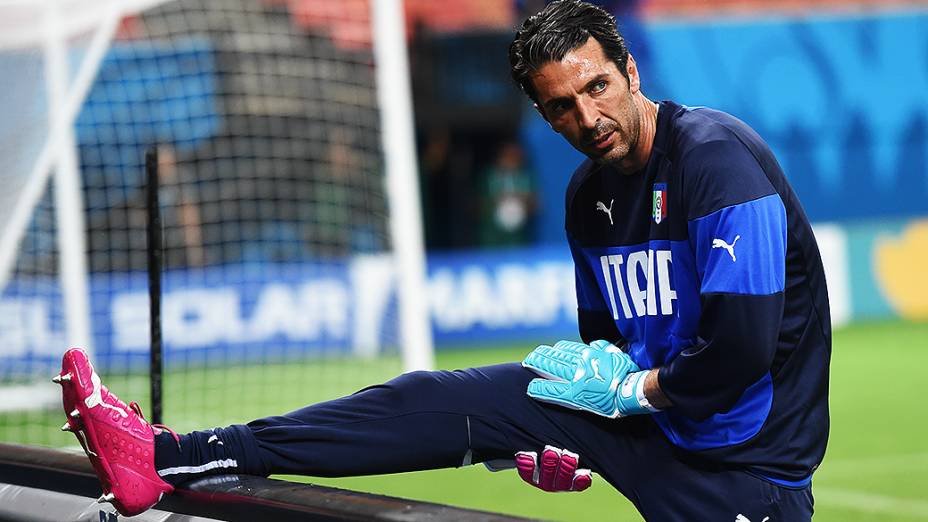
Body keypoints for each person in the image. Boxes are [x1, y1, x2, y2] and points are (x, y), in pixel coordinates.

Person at [54, 2, 830, 520]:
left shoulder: (717, 162)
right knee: (443, 397)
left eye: (597, 87)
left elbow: (740, 350)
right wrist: (547, 436)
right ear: (541, 112)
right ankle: (165, 454)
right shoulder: (588, 198)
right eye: (561, 105)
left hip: (746, 477)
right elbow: (607, 355)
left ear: (630, 72)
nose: (587, 118)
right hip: (666, 435)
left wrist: (627, 393)